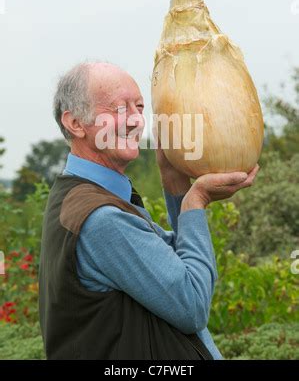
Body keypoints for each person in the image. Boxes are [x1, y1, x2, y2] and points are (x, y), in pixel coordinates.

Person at [38, 61, 259, 360]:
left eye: (139, 107)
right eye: (119, 109)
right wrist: (196, 200)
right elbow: (192, 304)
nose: (136, 121)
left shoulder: (83, 195)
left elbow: (172, 263)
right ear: (75, 123)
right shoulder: (101, 218)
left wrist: (175, 180)